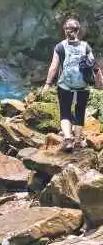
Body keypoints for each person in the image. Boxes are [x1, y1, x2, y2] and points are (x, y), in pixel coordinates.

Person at [45, 17, 96, 152]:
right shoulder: (86, 46)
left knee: (65, 112)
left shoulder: (60, 47)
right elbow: (93, 65)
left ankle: (68, 139)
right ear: (78, 30)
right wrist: (99, 81)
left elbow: (54, 67)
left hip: (65, 86)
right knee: (80, 112)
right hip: (83, 86)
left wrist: (47, 83)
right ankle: (78, 140)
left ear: (65, 31)